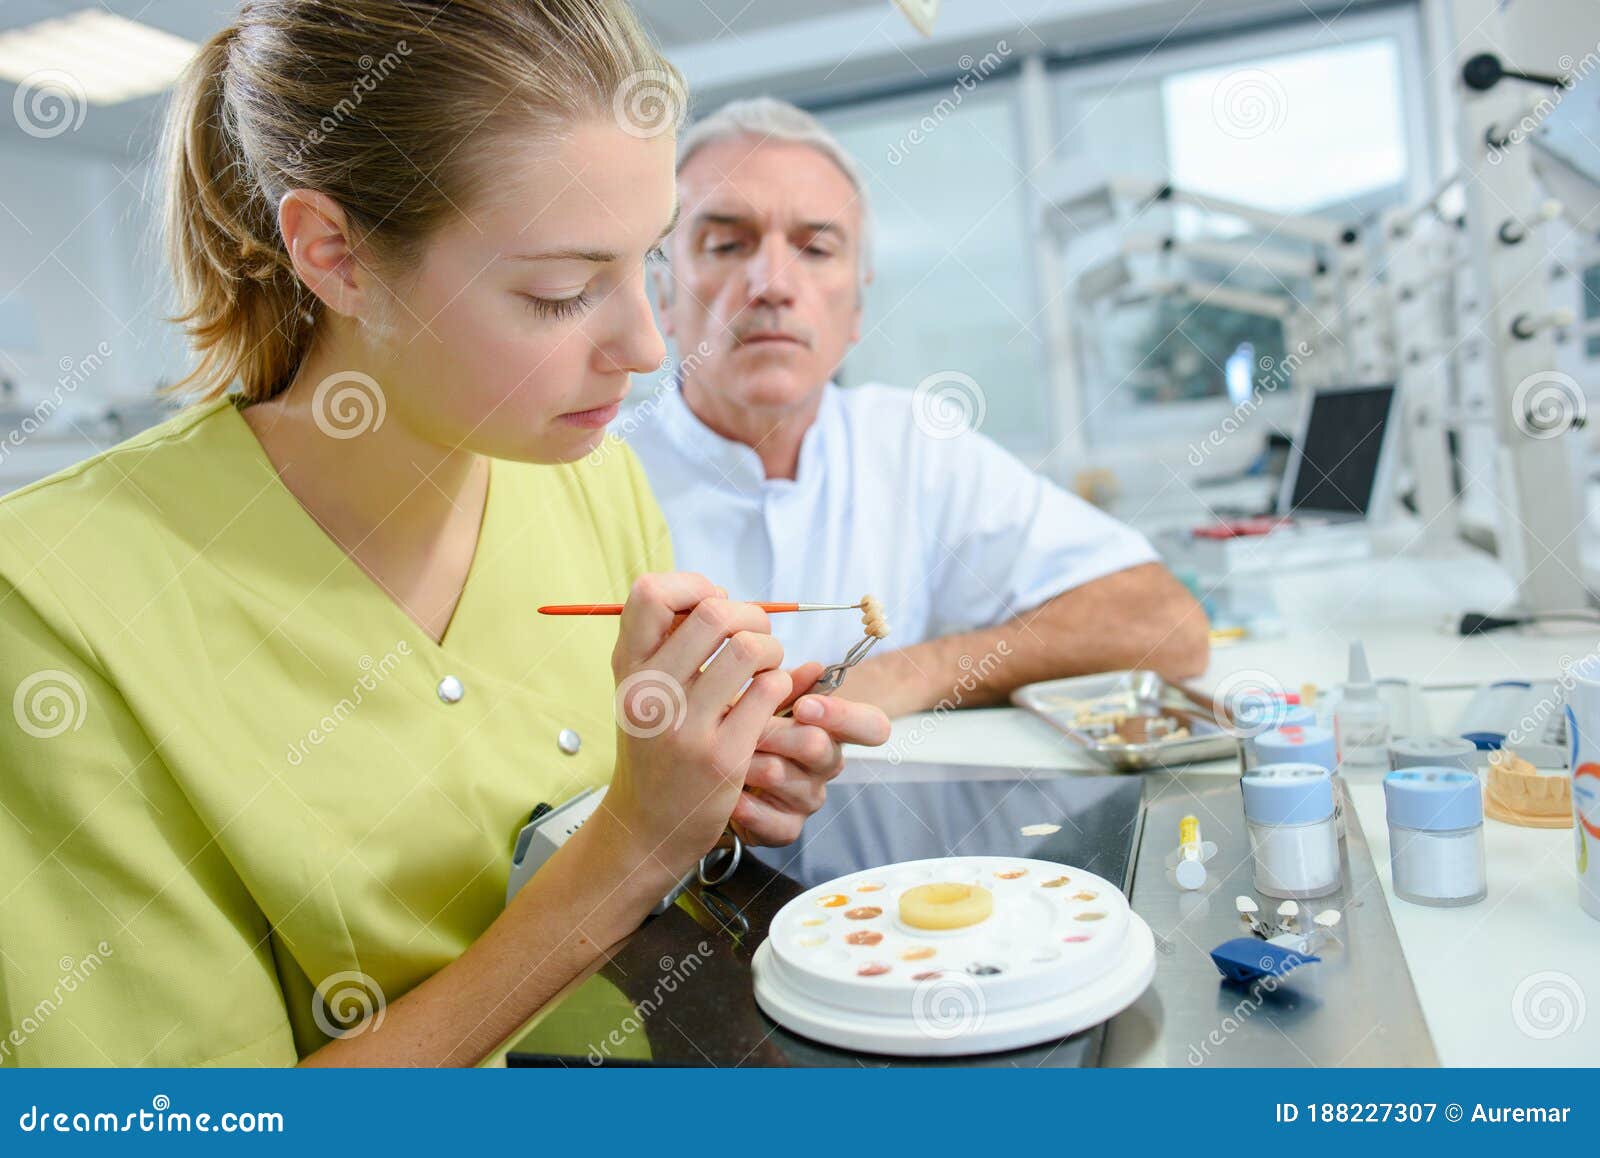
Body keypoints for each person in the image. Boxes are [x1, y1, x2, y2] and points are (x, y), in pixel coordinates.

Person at [0, 2, 887, 1068]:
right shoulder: (55, 602)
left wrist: (706, 798)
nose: (648, 347)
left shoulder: (591, 482)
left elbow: (629, 875)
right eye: (561, 293)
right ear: (334, 256)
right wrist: (629, 851)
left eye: (645, 262)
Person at [625, 98, 1210, 718]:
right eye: (726, 245)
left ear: (856, 309)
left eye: (816, 250)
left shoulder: (913, 444)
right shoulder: (593, 468)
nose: (772, 283)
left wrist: (913, 671)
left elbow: (1165, 622)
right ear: (663, 293)